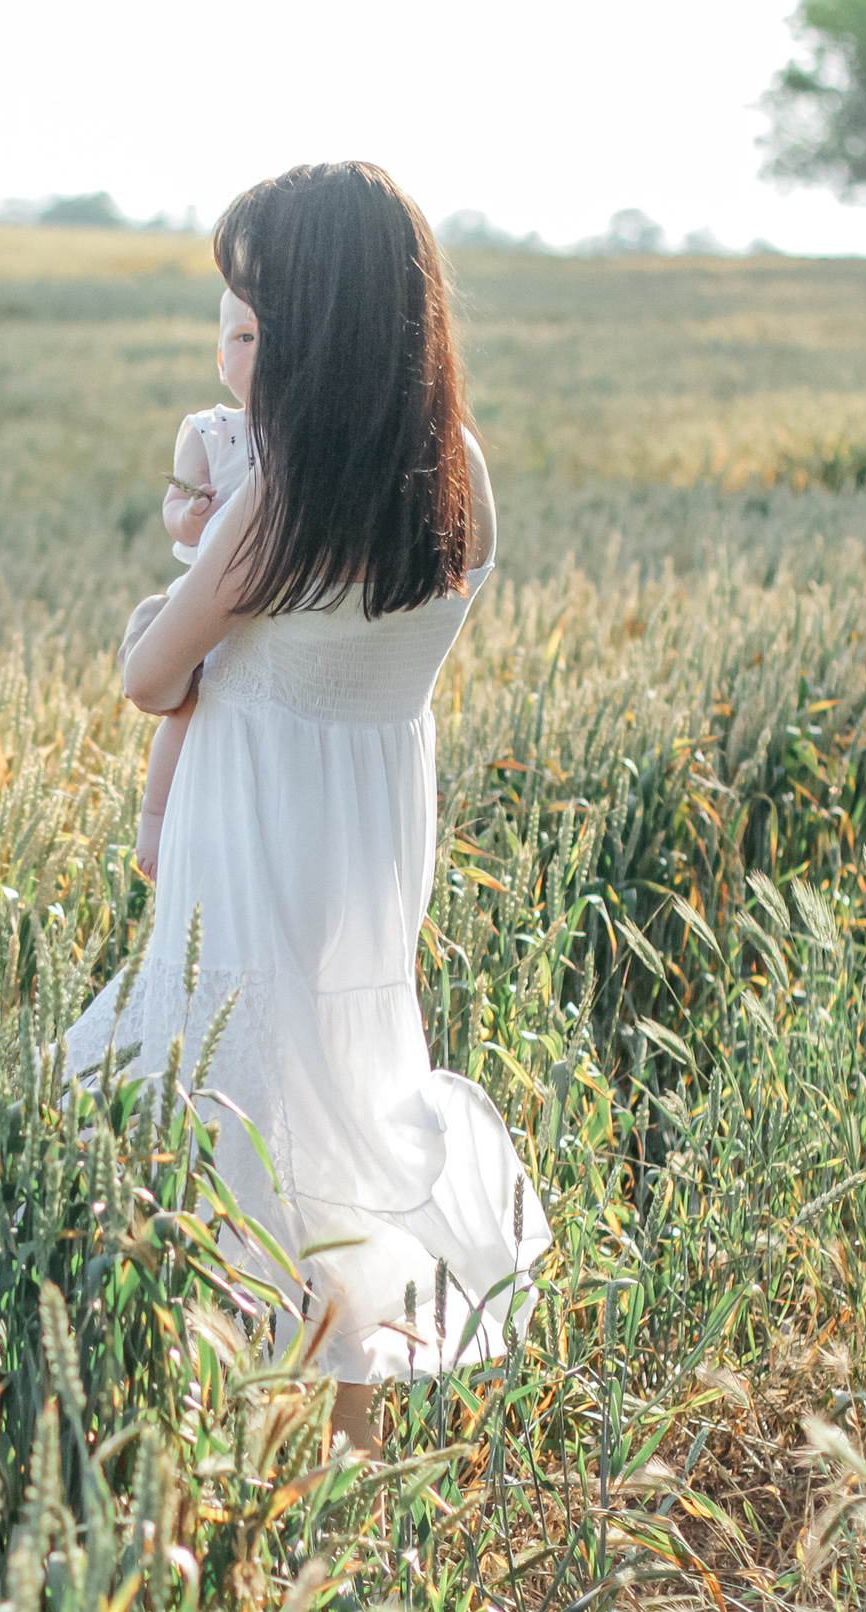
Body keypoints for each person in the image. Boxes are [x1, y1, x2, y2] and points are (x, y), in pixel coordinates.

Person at [68, 162, 549, 1458]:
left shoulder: (279, 494)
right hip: (374, 843)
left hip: (255, 838)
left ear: (312, 324)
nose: (239, 345)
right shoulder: (460, 474)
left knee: (230, 1116)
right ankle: (347, 1461)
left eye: (253, 315)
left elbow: (148, 673)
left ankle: (215, 1448)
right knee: (344, 1108)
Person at [134, 290, 259, 880]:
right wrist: (188, 515)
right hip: (206, 593)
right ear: (219, 359)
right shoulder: (208, 432)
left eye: (272, 337)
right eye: (244, 338)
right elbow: (174, 503)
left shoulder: (307, 436)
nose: (259, 351)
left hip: (260, 601)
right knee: (183, 712)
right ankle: (156, 816)